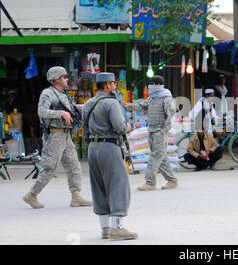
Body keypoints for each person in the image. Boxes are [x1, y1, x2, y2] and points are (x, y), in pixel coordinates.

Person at [23, 66, 92, 209]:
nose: (67, 79)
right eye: (64, 76)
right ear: (56, 79)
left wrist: (90, 105)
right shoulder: (48, 94)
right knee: (49, 168)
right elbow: (42, 112)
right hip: (54, 135)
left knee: (74, 166)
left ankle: (76, 196)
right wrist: (60, 113)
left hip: (65, 135)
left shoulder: (63, 94)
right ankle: (32, 195)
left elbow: (72, 109)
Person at [82, 72, 136, 240]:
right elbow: (119, 127)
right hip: (109, 146)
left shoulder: (88, 104)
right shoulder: (111, 104)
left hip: (92, 147)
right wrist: (127, 126)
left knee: (99, 187)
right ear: (107, 86)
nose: (115, 86)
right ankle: (118, 227)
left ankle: (105, 228)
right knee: (118, 185)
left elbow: (84, 130)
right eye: (114, 83)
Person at [122, 75, 178, 191]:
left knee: (155, 156)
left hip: (159, 131)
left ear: (158, 85)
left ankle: (150, 182)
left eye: (152, 84)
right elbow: (142, 107)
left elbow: (171, 116)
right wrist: (129, 106)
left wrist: (163, 131)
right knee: (160, 157)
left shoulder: (166, 98)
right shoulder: (152, 98)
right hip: (152, 130)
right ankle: (172, 180)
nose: (150, 87)